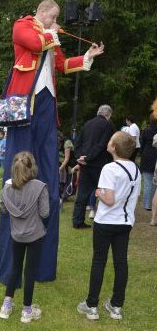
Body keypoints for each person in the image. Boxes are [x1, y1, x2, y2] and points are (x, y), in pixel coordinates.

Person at [0, 0, 105, 283]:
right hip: (24, 106)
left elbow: (61, 64)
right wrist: (52, 31)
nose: (55, 20)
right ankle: (10, 268)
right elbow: (34, 43)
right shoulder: (23, 25)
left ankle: (42, 267)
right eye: (53, 16)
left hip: (47, 104)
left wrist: (88, 57)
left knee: (47, 179)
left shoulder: (50, 37)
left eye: (56, 17)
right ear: (42, 12)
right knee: (18, 170)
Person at [77, 131, 141, 321]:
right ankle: (116, 306)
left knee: (99, 261)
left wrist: (97, 192)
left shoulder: (109, 169)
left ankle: (92, 305)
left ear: (113, 147)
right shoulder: (135, 169)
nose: (108, 142)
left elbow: (110, 199)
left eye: (110, 140)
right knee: (121, 262)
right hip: (125, 222)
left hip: (106, 222)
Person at [0, 151, 49, 323]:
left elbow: (4, 210)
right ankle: (26, 311)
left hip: (16, 235)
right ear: (32, 167)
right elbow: (45, 212)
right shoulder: (40, 186)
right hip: (35, 235)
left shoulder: (6, 187)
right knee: (29, 271)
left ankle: (6, 306)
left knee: (15, 268)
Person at [73, 105, 115, 228]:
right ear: (108, 115)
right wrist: (88, 158)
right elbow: (103, 145)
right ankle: (104, 220)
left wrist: (81, 157)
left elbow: (78, 143)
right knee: (104, 192)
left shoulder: (87, 124)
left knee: (82, 194)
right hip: (99, 165)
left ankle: (77, 221)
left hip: (85, 164)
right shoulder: (108, 125)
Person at [139, 114, 157, 210]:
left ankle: (147, 205)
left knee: (147, 182)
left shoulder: (146, 130)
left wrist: (142, 154)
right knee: (155, 182)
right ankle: (154, 204)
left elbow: (142, 145)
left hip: (147, 156)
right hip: (155, 157)